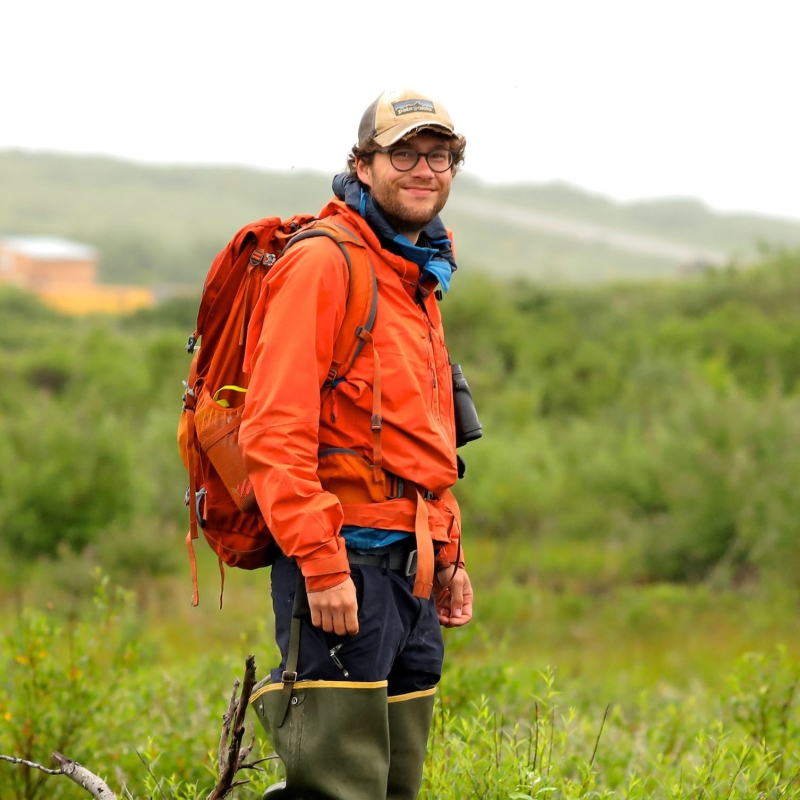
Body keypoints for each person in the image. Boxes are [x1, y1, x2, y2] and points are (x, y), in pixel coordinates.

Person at [240, 88, 474, 800]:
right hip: (345, 571)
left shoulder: (416, 274)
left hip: (412, 573)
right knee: (338, 788)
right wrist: (321, 565)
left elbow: (422, 443)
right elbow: (273, 431)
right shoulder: (324, 262)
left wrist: (448, 554)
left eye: (439, 156)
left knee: (393, 785)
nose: (423, 169)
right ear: (363, 165)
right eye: (402, 153)